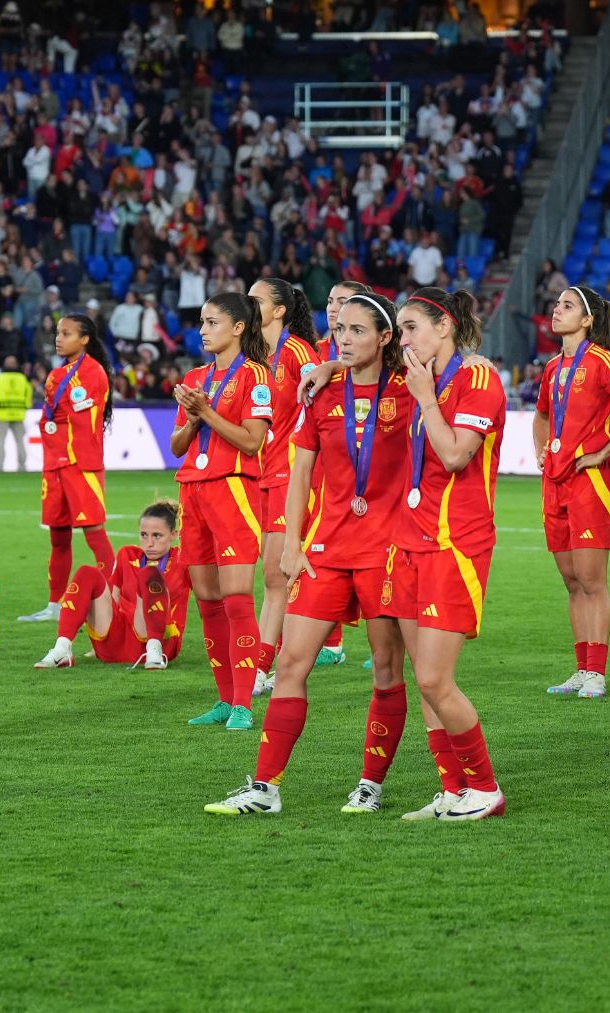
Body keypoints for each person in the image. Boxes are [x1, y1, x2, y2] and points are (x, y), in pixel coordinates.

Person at [205, 292, 413, 816]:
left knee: (386, 671)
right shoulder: (321, 392)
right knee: (294, 662)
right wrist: (293, 544)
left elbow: (450, 356)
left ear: (385, 338)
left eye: (357, 331)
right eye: (339, 329)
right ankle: (264, 788)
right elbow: (300, 474)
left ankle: (370, 784)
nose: (343, 339)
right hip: (327, 547)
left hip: (386, 551)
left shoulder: (412, 390)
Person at [384, 288, 509, 820]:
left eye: (412, 328)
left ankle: (486, 789)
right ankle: (454, 789)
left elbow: (457, 454)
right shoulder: (423, 380)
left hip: (454, 543)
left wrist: (427, 400)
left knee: (437, 679)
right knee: (423, 678)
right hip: (413, 540)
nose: (404, 340)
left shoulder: (476, 378)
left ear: (446, 327)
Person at [175, 293, 274, 732]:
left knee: (236, 600)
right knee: (208, 601)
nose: (203, 330)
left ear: (238, 328)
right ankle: (222, 698)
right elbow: (176, 446)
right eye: (201, 322)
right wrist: (195, 416)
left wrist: (206, 411)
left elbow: (251, 442)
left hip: (233, 490)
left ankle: (243, 705)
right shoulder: (195, 377)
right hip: (192, 492)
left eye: (212, 322)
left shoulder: (256, 377)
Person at [538, 285, 610, 699]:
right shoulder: (552, 366)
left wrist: (603, 451)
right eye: (557, 305)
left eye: (568, 306)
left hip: (590, 482)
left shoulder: (605, 362)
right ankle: (580, 668)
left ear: (588, 319)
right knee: (572, 581)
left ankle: (597, 672)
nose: (557, 311)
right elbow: (541, 414)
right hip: (554, 480)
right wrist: (541, 450)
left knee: (593, 581)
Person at [246, 277, 322, 697]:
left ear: (278, 311)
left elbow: (320, 403)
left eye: (255, 300)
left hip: (291, 473)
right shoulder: (253, 356)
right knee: (276, 575)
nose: (247, 304)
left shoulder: (298, 353)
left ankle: (262, 667)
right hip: (260, 471)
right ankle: (277, 661)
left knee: (276, 574)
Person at [19, 315, 114, 624]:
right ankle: (55, 605)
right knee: (58, 539)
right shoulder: (56, 374)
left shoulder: (92, 373)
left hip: (80, 465)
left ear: (84, 339)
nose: (58, 338)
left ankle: (113, 598)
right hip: (55, 466)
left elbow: (79, 417)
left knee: (94, 535)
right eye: (58, 333)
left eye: (66, 333)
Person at [33, 500, 190, 670]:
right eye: (144, 535)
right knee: (87, 572)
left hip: (162, 643)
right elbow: (112, 600)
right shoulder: (127, 554)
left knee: (150, 574)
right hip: (117, 645)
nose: (149, 543)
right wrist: (98, 639)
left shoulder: (184, 559)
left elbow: (208, 598)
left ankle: (154, 649)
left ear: (174, 534)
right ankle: (61, 649)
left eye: (157, 536)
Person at [312, 279, 374, 669]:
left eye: (345, 302)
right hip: (324, 466)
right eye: (331, 300)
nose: (334, 307)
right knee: (323, 552)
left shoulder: (379, 355)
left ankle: (388, 641)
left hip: (367, 470)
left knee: (373, 557)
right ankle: (330, 640)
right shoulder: (317, 352)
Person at [0, 354, 31, 472]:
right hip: (19, 413)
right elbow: (28, 396)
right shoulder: (23, 378)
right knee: (20, 442)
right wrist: (25, 407)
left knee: (0, 442)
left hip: (2, 413)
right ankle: (22, 466)